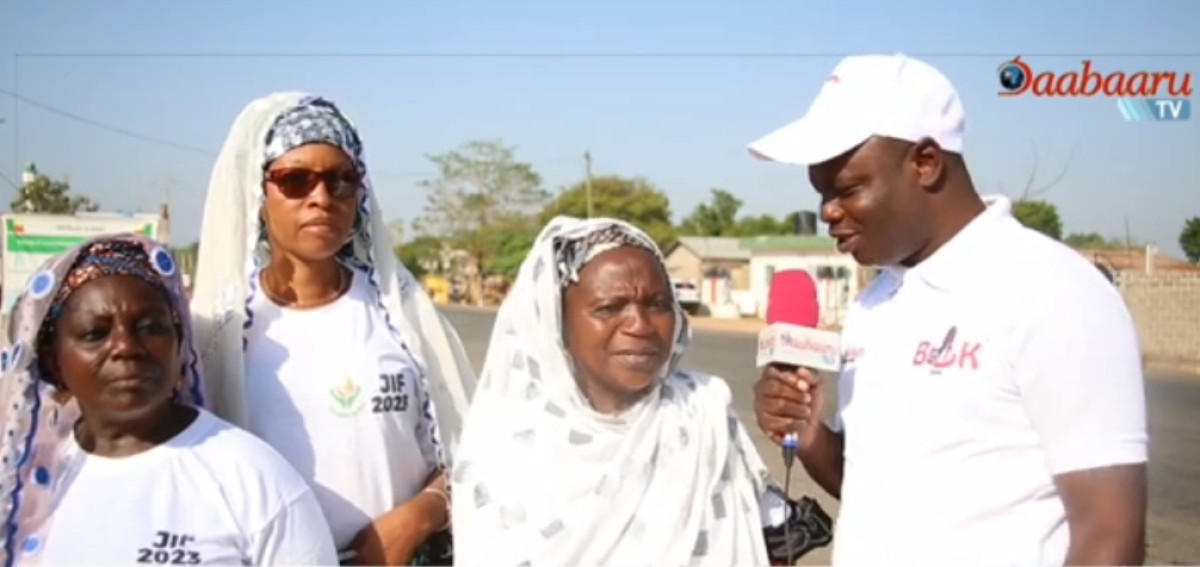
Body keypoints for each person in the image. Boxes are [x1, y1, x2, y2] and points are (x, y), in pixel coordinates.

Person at [748, 53, 1148, 566]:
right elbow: (873, 493)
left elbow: (1110, 535)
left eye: (847, 189)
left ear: (926, 163)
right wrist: (809, 435)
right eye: (822, 194)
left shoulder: (1054, 291)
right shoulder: (875, 304)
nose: (827, 212)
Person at [189, 93, 477, 565]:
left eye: (341, 180)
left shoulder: (401, 315)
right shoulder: (218, 337)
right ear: (258, 194)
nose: (321, 198)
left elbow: (476, 450)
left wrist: (420, 516)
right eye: (295, 180)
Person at [451, 216, 833, 566]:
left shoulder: (703, 409)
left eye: (658, 304)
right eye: (609, 308)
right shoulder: (504, 444)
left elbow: (763, 540)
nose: (640, 325)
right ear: (557, 323)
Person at [0, 234, 337, 566]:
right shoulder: (24, 488)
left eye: (150, 327)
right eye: (95, 334)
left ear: (180, 344)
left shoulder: (253, 478)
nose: (125, 348)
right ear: (52, 360)